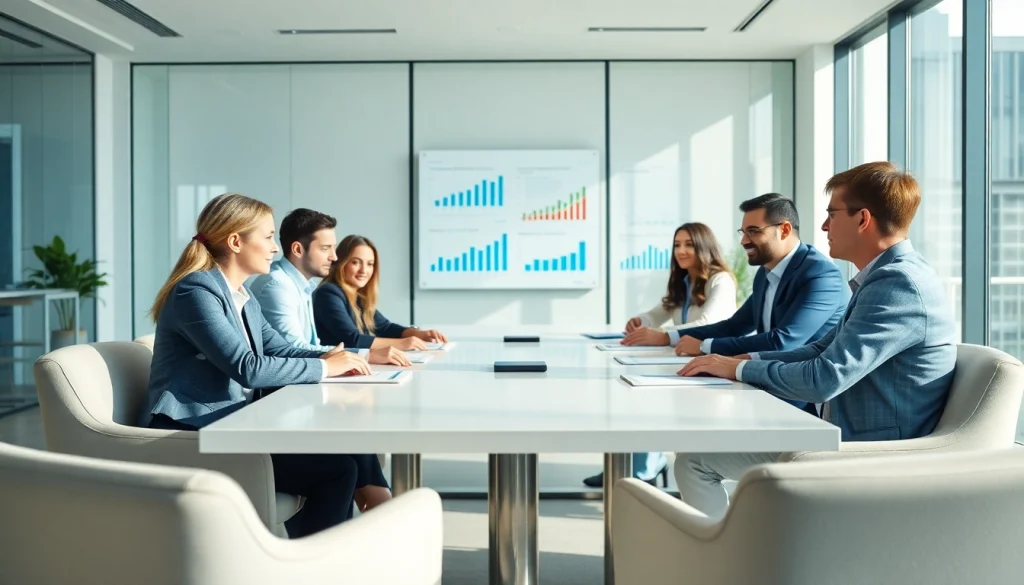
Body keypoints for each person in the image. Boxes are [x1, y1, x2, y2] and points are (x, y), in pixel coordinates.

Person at [674, 162, 957, 519]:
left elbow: (825, 378)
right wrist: (740, 365)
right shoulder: (884, 277)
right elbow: (820, 349)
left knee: (695, 463)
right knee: (697, 458)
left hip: (870, 453)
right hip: (845, 434)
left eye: (831, 214)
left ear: (862, 219)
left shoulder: (897, 285)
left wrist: (742, 369)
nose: (824, 226)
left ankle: (723, 564)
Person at [142, 193, 391, 538]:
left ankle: (320, 561)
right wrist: (325, 368)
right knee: (336, 469)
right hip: (194, 432)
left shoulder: (242, 295)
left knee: (343, 461)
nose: (276, 247)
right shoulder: (196, 291)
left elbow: (280, 348)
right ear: (235, 242)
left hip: (233, 425)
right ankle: (318, 561)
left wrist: (342, 360)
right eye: (269, 236)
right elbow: (247, 367)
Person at [583, 222, 737, 488]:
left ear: (704, 246)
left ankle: (644, 468)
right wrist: (640, 320)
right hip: (679, 362)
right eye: (677, 245)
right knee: (632, 398)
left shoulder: (720, 280)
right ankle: (636, 466)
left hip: (707, 369)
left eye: (689, 244)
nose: (681, 251)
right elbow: (658, 313)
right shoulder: (684, 280)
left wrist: (664, 336)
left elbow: (709, 323)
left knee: (649, 404)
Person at [250, 208, 411, 367]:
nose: (334, 257)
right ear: (298, 249)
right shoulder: (278, 286)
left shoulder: (302, 285)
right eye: (325, 248)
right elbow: (294, 349)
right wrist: (365, 355)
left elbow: (311, 344)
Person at [315, 234, 447, 350]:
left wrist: (418, 334)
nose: (364, 270)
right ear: (341, 263)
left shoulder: (358, 297)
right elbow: (352, 340)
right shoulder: (329, 293)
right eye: (356, 262)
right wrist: (402, 344)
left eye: (370, 264)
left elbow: (385, 328)